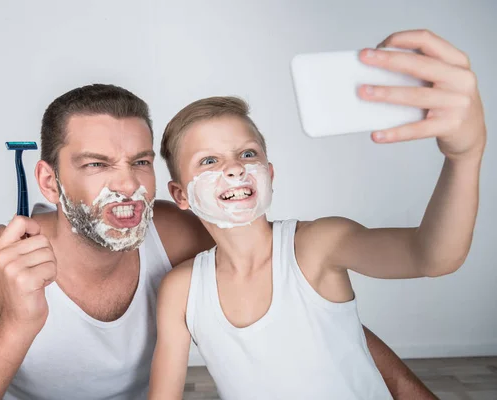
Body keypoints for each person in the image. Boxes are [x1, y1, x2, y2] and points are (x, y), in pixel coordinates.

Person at [0, 31, 451, 400]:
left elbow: (310, 304)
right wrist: (19, 324)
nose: (126, 184)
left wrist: (406, 387)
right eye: (96, 164)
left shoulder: (175, 230)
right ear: (49, 181)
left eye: (139, 162)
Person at [148, 30, 485, 399]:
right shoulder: (182, 290)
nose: (233, 168)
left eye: (246, 154)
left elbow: (433, 256)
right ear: (180, 195)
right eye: (209, 160)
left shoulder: (316, 246)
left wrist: (463, 158)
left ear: (269, 173)